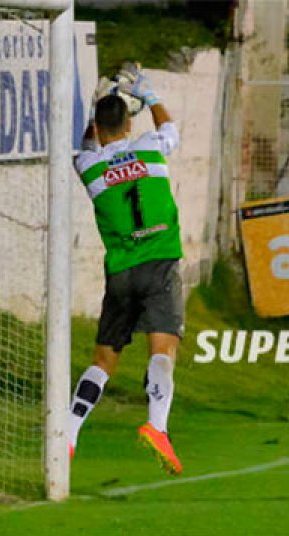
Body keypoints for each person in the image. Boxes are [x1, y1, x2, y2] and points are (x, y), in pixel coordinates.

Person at [67, 64, 185, 475]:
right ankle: (156, 426)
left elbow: (85, 147)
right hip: (160, 263)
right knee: (163, 348)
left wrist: (92, 115)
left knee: (103, 358)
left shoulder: (89, 167)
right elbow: (172, 131)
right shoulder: (151, 147)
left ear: (99, 128)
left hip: (121, 272)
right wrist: (149, 95)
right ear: (129, 122)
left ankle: (68, 434)